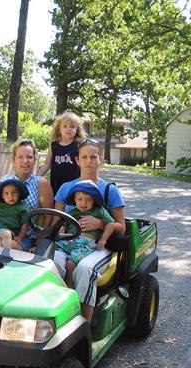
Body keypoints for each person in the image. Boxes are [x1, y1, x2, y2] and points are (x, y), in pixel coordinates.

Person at [53, 138, 126, 322]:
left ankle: (83, 324)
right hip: (68, 242)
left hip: (97, 245)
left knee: (84, 269)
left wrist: (99, 224)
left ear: (100, 159)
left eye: (93, 157)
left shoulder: (109, 190)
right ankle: (58, 315)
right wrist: (59, 227)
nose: (88, 161)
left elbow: (121, 227)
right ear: (77, 160)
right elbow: (55, 221)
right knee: (51, 262)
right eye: (84, 157)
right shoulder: (66, 188)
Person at [55, 180, 116, 286]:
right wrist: (63, 227)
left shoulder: (99, 210)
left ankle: (70, 286)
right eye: (80, 199)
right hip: (70, 241)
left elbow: (111, 224)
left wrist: (103, 239)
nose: (83, 204)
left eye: (88, 200)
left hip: (85, 244)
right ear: (74, 200)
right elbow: (65, 222)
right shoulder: (73, 212)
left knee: (71, 263)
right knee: (50, 251)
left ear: (94, 200)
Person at [37, 111, 86, 195]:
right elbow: (47, 164)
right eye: (65, 126)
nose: (68, 129)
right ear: (59, 129)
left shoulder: (79, 146)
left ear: (77, 129)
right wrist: (37, 177)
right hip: (56, 185)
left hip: (74, 185)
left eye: (72, 126)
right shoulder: (54, 146)